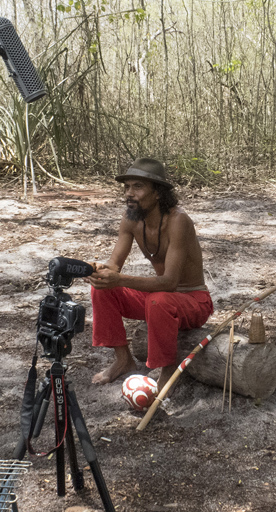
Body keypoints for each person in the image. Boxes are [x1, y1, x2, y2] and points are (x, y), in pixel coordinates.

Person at [89, 158, 213, 387]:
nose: (129, 193)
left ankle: (167, 372)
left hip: (193, 302)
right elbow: (114, 265)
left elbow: (169, 282)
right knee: (102, 289)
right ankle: (123, 360)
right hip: (161, 299)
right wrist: (99, 271)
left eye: (138, 187)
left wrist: (119, 279)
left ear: (157, 193)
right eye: (127, 187)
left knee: (158, 301)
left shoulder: (178, 221)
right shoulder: (130, 219)